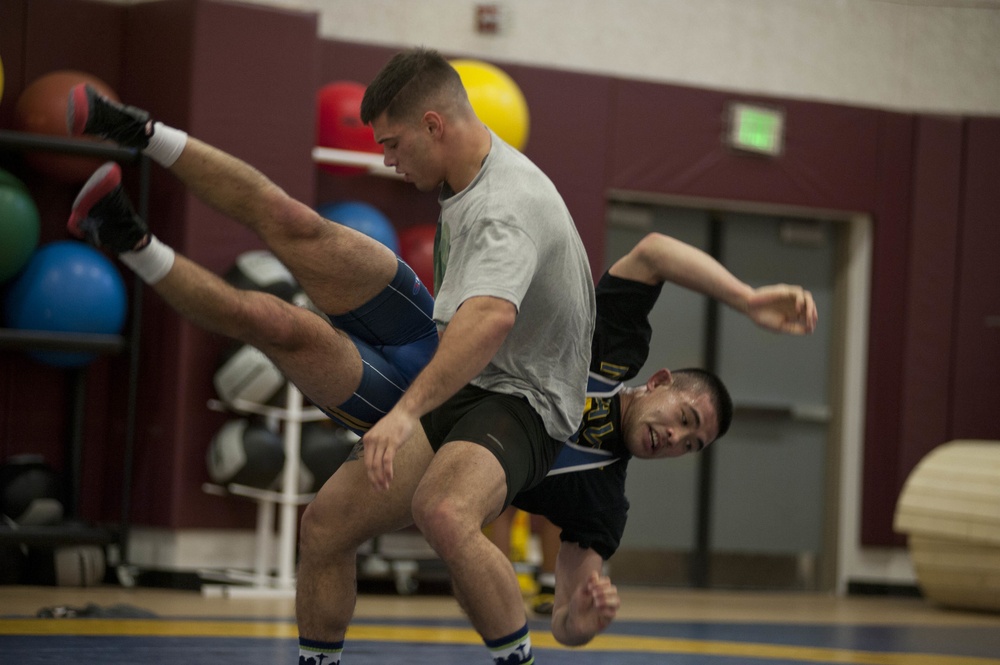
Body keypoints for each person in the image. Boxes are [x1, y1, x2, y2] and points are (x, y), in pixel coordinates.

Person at [67, 46, 596, 665]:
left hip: (513, 398)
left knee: (275, 324)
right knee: (296, 224)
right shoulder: (470, 167)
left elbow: (490, 320)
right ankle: (141, 133)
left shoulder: (508, 207)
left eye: (394, 144)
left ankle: (131, 242)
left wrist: (404, 416)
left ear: (434, 125)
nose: (386, 159)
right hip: (444, 349)